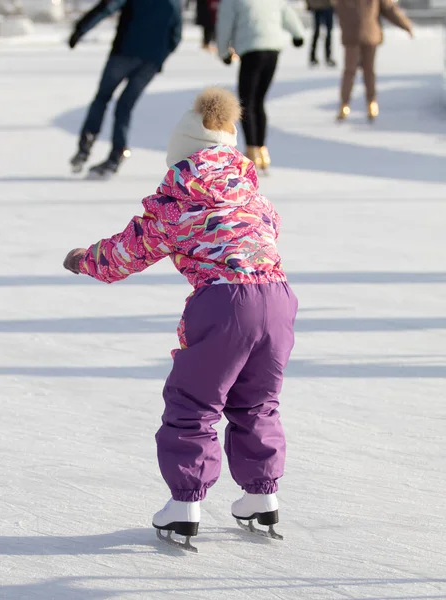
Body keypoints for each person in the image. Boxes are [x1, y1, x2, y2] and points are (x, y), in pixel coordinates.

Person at [63, 87, 298, 551]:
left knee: (194, 402)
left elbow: (126, 253)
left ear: (181, 158)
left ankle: (185, 506)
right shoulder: (255, 197)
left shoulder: (178, 203)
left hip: (224, 303)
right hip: (278, 299)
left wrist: (83, 260)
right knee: (258, 401)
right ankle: (262, 495)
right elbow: (268, 232)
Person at [68, 0, 182, 178]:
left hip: (124, 52)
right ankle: (116, 155)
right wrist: (160, 57)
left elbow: (107, 7)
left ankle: (86, 144)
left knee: (103, 98)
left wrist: (80, 29)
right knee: (125, 106)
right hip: (151, 61)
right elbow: (176, 36)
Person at [216, 0, 306, 172]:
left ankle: (252, 151)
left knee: (246, 102)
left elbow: (225, 23)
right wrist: (298, 34)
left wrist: (223, 52)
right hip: (272, 50)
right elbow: (286, 12)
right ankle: (262, 151)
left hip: (251, 50)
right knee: (258, 101)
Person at [335, 0, 413, 121]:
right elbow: (389, 10)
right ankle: (370, 104)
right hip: (368, 32)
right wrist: (406, 25)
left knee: (351, 71)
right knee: (368, 71)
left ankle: (345, 105)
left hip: (353, 34)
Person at [307, 0, 335, 67]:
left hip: (326, 6)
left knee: (327, 33)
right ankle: (314, 57)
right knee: (318, 32)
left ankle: (326, 57)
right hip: (318, 6)